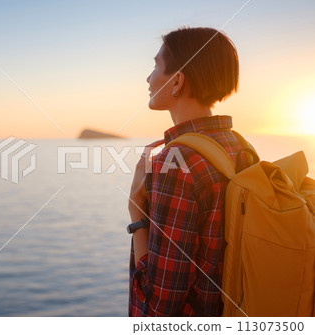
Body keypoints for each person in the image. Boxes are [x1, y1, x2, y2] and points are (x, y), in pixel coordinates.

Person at [127, 27, 251, 316]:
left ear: (177, 81)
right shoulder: (240, 147)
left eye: (156, 66)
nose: (148, 77)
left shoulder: (177, 163)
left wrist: (136, 213)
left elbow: (159, 308)